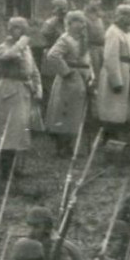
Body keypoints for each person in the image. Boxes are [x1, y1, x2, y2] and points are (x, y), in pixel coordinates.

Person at [0, 17, 39, 177]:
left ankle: (16, 168)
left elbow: (33, 68)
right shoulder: (3, 47)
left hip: (23, 89)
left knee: (21, 129)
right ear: (9, 30)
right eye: (15, 28)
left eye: (22, 28)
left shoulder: (26, 49)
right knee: (9, 130)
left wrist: (37, 86)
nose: (19, 31)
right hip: (9, 89)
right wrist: (20, 44)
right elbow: (6, 57)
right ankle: (6, 169)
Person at [43, 11, 92, 157]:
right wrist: (66, 71)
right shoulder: (65, 39)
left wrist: (89, 74)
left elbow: (86, 59)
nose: (82, 25)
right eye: (79, 22)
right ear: (70, 24)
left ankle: (70, 145)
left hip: (81, 78)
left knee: (75, 113)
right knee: (64, 112)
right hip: (68, 80)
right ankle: (61, 147)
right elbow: (52, 55)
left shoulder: (82, 39)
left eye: (83, 22)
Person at [97, 4, 130, 141]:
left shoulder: (128, 33)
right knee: (112, 107)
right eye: (129, 15)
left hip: (127, 71)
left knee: (121, 108)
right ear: (121, 17)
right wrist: (116, 81)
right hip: (116, 72)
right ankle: (108, 138)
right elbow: (110, 57)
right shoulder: (113, 32)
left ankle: (117, 138)